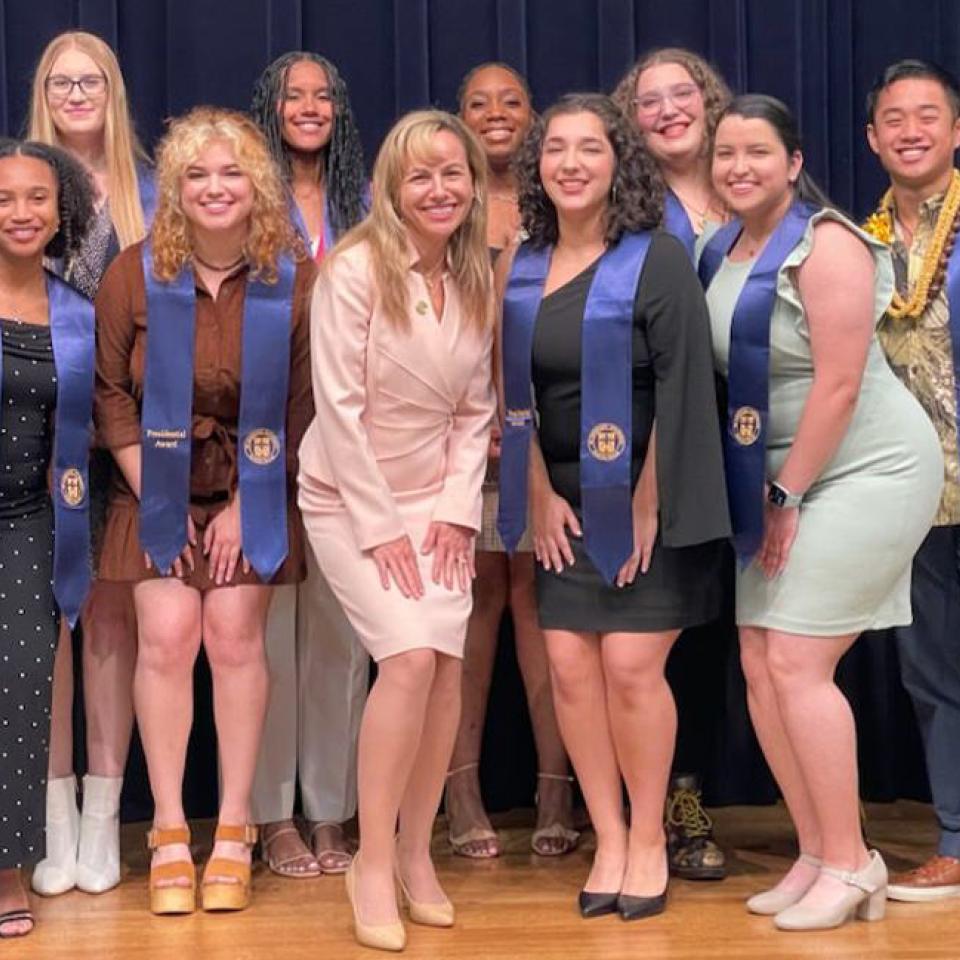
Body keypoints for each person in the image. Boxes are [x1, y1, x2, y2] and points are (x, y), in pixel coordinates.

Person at [701, 93, 942, 931]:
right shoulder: (717, 248)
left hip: (865, 466)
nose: (739, 167)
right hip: (782, 473)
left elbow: (839, 384)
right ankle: (814, 851)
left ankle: (853, 858)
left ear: (795, 163)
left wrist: (785, 495)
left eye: (758, 152)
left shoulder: (830, 241)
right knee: (761, 660)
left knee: (798, 662)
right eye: (725, 153)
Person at [499, 92, 729, 921]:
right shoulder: (519, 265)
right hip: (558, 501)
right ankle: (608, 832)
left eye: (589, 148)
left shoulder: (657, 257)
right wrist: (535, 493)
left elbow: (681, 388)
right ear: (537, 168)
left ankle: (648, 840)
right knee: (568, 671)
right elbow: (509, 395)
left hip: (646, 499)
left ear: (617, 162)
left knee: (632, 670)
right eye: (555, 149)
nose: (570, 163)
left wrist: (643, 503)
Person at [95, 107, 313, 915]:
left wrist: (245, 503)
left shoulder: (291, 277)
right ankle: (167, 831)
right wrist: (151, 481)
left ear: (257, 186)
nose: (215, 188)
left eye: (232, 174)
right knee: (167, 636)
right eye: (197, 175)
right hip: (148, 486)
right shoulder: (134, 272)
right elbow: (109, 391)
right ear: (175, 190)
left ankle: (233, 828)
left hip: (253, 490)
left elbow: (305, 405)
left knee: (231, 638)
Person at [298, 109, 494, 951]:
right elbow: (336, 411)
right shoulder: (352, 271)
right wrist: (380, 527)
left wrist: (456, 510)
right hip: (349, 498)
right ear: (390, 186)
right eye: (420, 175)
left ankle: (418, 852)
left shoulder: (476, 274)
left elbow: (478, 411)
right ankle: (370, 861)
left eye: (453, 173)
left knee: (445, 669)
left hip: (438, 504)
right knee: (408, 659)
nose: (439, 189)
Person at [26, 29, 154, 896]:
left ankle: (106, 817)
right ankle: (51, 819)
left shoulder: (149, 193)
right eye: (61, 82)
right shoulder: (21, 190)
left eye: (92, 81)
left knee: (111, 627)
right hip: (32, 444)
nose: (77, 95)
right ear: (43, 92)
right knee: (44, 636)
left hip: (125, 440)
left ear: (112, 91)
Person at [446, 60, 577, 860]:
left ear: (535, 117)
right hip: (459, 432)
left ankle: (555, 789)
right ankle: (461, 793)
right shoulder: (443, 200)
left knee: (542, 601)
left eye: (512, 102)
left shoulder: (558, 203)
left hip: (544, 434)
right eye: (477, 104)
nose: (495, 115)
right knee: (470, 601)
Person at [613, 45, 732, 882]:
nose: (666, 110)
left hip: (756, 435)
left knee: (743, 629)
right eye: (648, 101)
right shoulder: (627, 207)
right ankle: (671, 806)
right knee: (667, 633)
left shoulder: (757, 180)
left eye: (680, 94)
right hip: (658, 439)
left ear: (709, 100)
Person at [249, 49, 368, 879]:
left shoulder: (365, 202)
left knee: (339, 636)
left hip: (353, 448)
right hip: (262, 445)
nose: (309, 107)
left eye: (323, 95)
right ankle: (270, 814)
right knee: (266, 640)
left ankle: (331, 809)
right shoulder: (245, 203)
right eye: (294, 96)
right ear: (271, 107)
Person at [863, 59, 960, 903]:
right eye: (894, 118)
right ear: (872, 138)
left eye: (928, 116)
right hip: (914, 493)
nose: (910, 130)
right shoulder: (858, 243)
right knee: (932, 671)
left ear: (956, 131)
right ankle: (956, 837)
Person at [0, 139, 95, 938]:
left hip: (30, 518)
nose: (20, 212)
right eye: (3, 198)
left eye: (36, 197)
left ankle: (7, 871)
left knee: (25, 683)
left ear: (61, 210)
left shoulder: (77, 312)